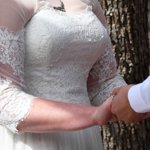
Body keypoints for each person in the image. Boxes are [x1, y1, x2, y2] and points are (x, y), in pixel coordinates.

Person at [0, 0, 126, 150]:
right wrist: (92, 115)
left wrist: (134, 96)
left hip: (85, 136)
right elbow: (5, 101)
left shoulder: (91, 3)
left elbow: (102, 84)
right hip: (34, 140)